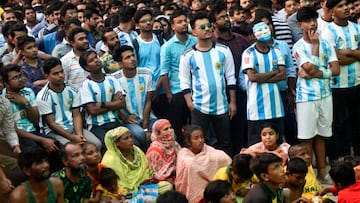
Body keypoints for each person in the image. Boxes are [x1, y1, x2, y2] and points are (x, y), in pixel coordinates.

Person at [179, 11, 236, 156]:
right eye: (202, 27)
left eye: (209, 26)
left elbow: (230, 77)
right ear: (194, 32)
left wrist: (233, 102)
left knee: (226, 142)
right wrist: (189, 103)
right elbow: (184, 81)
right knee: (198, 145)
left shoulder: (224, 50)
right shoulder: (188, 55)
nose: (207, 29)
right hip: (199, 106)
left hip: (222, 106)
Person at [293, 6, 340, 181]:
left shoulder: (327, 44)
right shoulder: (298, 47)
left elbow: (335, 70)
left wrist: (317, 73)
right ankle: (309, 176)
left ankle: (322, 171)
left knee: (322, 135)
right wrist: (315, 47)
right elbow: (309, 68)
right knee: (307, 138)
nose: (312, 23)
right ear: (300, 25)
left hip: (326, 94)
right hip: (306, 98)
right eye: (308, 21)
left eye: (314, 19)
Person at [321, 0, 360, 166]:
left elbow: (340, 56)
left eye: (347, 5)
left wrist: (347, 52)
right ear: (332, 11)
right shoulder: (327, 32)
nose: (346, 8)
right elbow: (333, 61)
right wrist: (355, 54)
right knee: (338, 123)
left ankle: (358, 155)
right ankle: (340, 158)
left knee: (357, 122)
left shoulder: (357, 28)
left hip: (357, 84)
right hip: (336, 86)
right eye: (340, 6)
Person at [210, 1, 251, 152]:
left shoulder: (241, 40)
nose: (226, 20)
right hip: (220, 93)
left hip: (241, 91)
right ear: (214, 23)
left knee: (240, 129)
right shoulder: (212, 43)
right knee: (222, 134)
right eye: (221, 18)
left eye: (226, 16)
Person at [36, 57, 101, 148]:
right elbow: (51, 124)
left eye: (61, 72)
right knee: (71, 149)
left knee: (96, 144)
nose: (61, 75)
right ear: (47, 76)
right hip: (54, 132)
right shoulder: (43, 97)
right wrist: (71, 137)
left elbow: (76, 115)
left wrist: (79, 135)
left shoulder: (72, 90)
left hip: (74, 128)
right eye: (56, 73)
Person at [241, 20, 286, 146]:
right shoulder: (248, 53)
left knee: (278, 144)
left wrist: (260, 76)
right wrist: (273, 72)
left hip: (276, 108)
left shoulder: (276, 52)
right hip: (257, 109)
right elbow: (252, 77)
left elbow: (283, 75)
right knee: (256, 146)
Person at [160, 9, 197, 146]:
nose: (183, 24)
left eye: (185, 21)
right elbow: (164, 73)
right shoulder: (167, 47)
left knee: (196, 124)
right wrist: (169, 94)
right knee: (179, 126)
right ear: (173, 26)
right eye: (179, 22)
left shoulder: (195, 41)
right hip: (177, 91)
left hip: (196, 89)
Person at [1, 64, 58, 152]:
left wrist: (25, 103)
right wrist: (42, 140)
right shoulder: (3, 99)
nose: (20, 79)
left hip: (33, 131)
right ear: (6, 83)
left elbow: (35, 120)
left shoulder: (28, 92)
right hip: (17, 136)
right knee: (36, 151)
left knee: (56, 145)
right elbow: (12, 129)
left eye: (20, 76)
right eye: (15, 78)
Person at [101, 126, 172, 193]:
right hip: (127, 193)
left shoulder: (136, 150)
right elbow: (118, 185)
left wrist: (146, 181)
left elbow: (146, 169)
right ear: (116, 143)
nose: (131, 140)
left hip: (144, 187)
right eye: (126, 138)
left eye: (131, 137)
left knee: (167, 186)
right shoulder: (110, 160)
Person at [79, 50, 125, 148]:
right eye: (91, 60)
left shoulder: (112, 79)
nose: (96, 61)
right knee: (110, 146)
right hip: (97, 126)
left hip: (115, 122)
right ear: (87, 67)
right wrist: (113, 103)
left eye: (96, 57)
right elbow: (92, 111)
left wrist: (103, 104)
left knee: (130, 142)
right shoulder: (85, 85)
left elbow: (122, 104)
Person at [112, 45, 155, 151]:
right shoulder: (114, 79)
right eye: (127, 57)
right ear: (120, 63)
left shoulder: (146, 73)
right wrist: (126, 118)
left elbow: (148, 102)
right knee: (140, 135)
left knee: (165, 130)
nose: (132, 59)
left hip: (147, 117)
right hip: (127, 121)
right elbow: (115, 105)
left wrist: (145, 128)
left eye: (133, 56)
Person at [175, 125, 232, 203]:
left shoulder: (209, 151)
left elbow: (226, 159)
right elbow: (189, 167)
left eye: (202, 137)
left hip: (210, 191)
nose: (200, 140)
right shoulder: (183, 155)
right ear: (188, 142)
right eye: (196, 138)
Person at [146, 119, 181, 184]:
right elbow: (156, 174)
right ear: (158, 133)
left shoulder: (173, 143)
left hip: (174, 175)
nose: (170, 130)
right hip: (160, 181)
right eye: (166, 129)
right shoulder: (154, 150)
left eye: (171, 128)